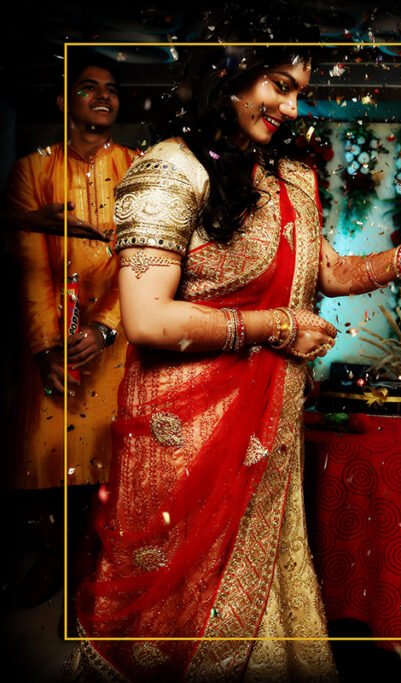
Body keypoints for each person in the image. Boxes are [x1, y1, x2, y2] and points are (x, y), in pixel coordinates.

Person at [66, 33, 401, 681]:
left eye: (300, 91)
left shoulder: (291, 175)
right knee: (175, 614)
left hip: (268, 431)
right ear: (229, 74)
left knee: (264, 607)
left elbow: (324, 270)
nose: (292, 108)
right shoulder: (168, 171)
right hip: (184, 436)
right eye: (279, 85)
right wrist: (278, 326)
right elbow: (146, 317)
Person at [6, 50, 136, 607]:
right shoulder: (32, 170)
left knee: (111, 455)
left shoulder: (138, 169)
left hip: (119, 334)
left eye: (112, 88)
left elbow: (145, 258)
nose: (104, 95)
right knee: (44, 451)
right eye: (88, 87)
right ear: (63, 101)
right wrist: (45, 348)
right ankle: (55, 558)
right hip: (51, 333)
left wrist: (106, 327)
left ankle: (91, 562)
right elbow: (28, 262)